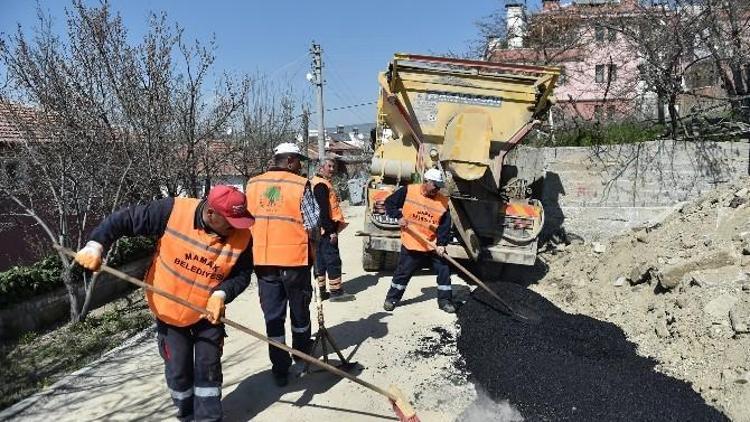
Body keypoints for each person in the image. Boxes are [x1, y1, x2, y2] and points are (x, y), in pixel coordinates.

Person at [74, 185, 254, 422]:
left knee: (208, 369)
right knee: (178, 372)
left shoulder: (242, 237)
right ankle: (187, 414)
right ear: (211, 213)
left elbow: (242, 274)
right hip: (169, 312)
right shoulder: (172, 211)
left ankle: (209, 418)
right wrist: (95, 245)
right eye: (230, 221)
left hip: (207, 314)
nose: (235, 228)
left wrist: (221, 294)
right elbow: (122, 220)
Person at [245, 142, 320, 387]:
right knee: (299, 310)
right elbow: (311, 222)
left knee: (273, 316)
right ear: (289, 161)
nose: (300, 165)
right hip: (294, 261)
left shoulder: (253, 184)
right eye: (299, 160)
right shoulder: (299, 185)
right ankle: (301, 352)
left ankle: (279, 367)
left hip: (264, 262)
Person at [382, 168, 457, 313]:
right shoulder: (409, 191)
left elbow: (444, 225)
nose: (437, 189)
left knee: (444, 270)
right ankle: (391, 299)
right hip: (412, 241)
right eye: (434, 185)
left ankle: (445, 300)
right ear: (426, 181)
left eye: (439, 186)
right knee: (403, 273)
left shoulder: (443, 201)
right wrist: (399, 216)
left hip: (432, 243)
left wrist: (441, 244)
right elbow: (389, 203)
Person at [312, 158, 351, 301]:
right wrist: (331, 231)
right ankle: (336, 292)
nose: (332, 169)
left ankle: (320, 292)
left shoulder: (317, 182)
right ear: (321, 168)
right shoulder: (321, 185)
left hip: (318, 230)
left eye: (333, 166)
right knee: (332, 260)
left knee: (320, 261)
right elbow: (323, 210)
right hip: (325, 229)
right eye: (329, 166)